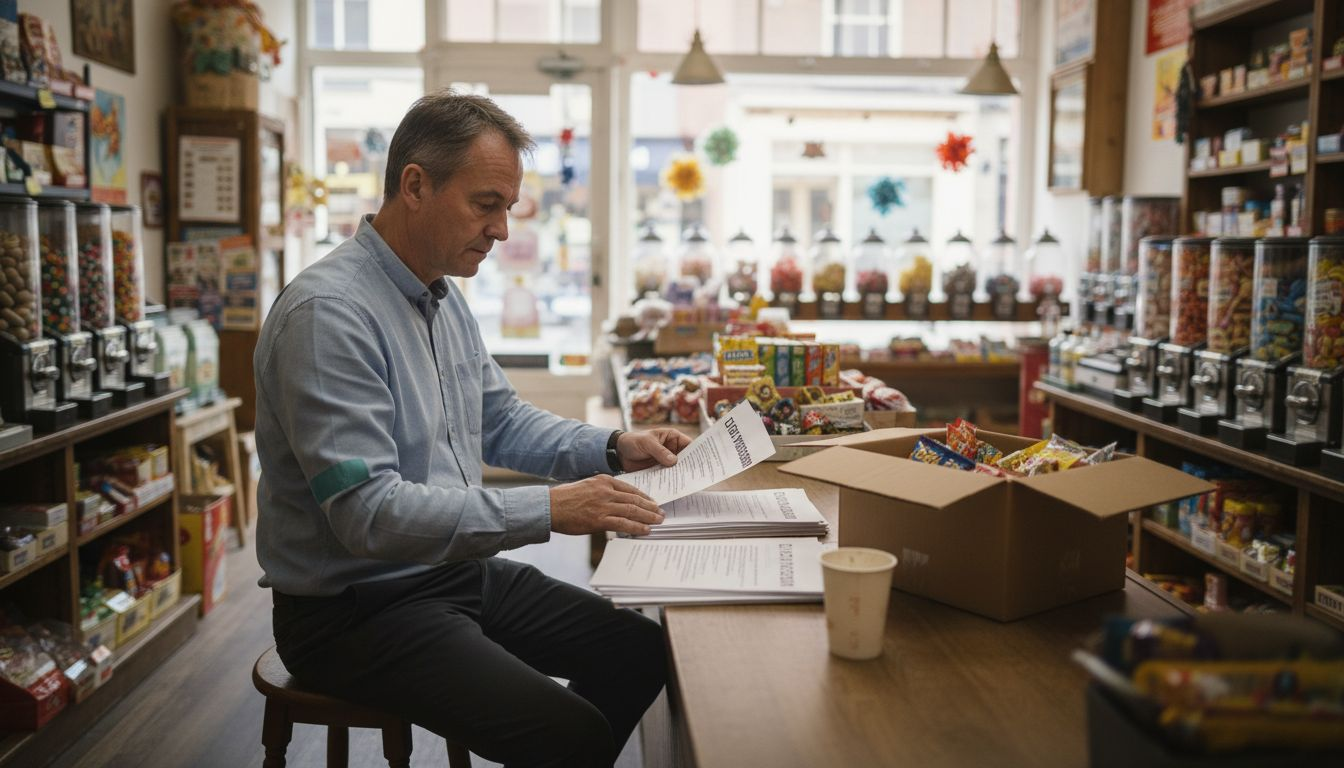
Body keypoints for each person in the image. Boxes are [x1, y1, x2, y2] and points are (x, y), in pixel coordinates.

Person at [253, 90, 690, 767]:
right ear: (415, 185)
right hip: (352, 611)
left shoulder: (439, 295)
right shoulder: (327, 317)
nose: (502, 231)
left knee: (638, 650)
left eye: (507, 209)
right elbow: (368, 515)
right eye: (485, 205)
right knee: (570, 735)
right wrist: (551, 509)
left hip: (443, 573)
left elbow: (499, 420)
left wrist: (611, 446)